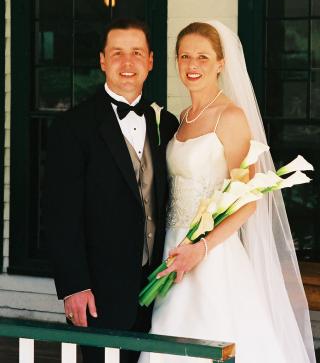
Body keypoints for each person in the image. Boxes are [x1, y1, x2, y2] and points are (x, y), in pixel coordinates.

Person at [139, 21, 316, 363]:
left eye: (203, 57)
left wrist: (201, 248)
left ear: (221, 64)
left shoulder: (230, 117)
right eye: (185, 56)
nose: (192, 65)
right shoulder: (184, 118)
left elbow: (248, 200)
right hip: (174, 248)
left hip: (212, 256)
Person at [44, 18, 179, 363]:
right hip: (98, 293)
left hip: (157, 292)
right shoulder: (73, 126)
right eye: (117, 53)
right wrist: (74, 286)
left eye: (136, 52)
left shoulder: (166, 122)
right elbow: (61, 216)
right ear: (103, 61)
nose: (127, 62)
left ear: (150, 61)